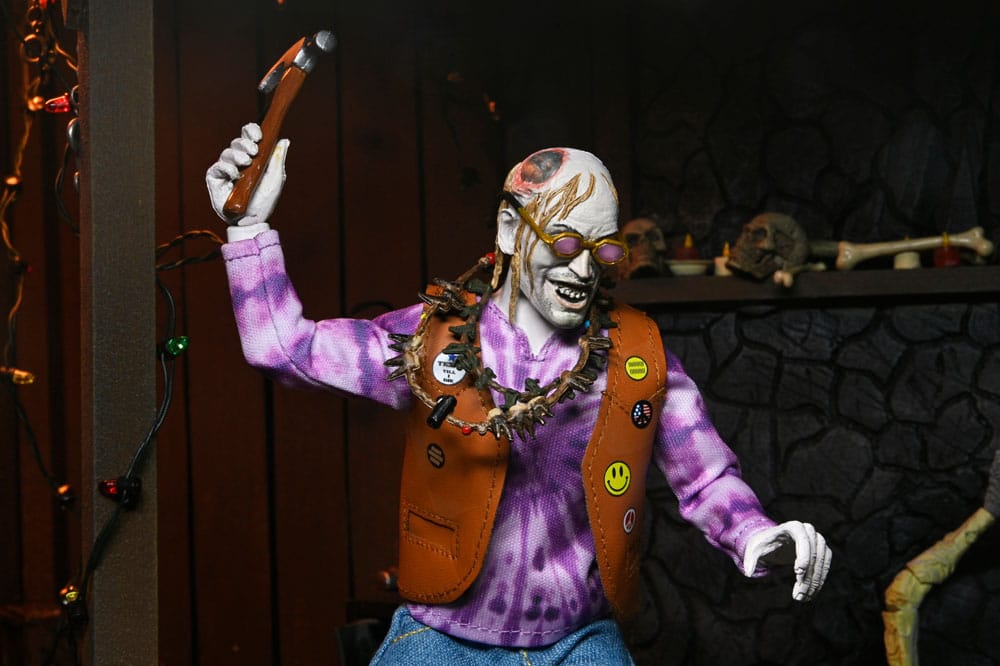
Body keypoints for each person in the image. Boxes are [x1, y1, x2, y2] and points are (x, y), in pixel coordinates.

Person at [206, 123, 832, 665]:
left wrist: (756, 534)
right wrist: (249, 228)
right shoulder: (428, 340)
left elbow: (706, 477)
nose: (583, 270)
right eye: (563, 242)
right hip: (441, 636)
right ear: (510, 229)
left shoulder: (637, 358)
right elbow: (284, 348)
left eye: (601, 248)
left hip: (577, 641)